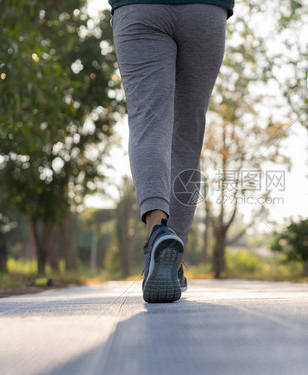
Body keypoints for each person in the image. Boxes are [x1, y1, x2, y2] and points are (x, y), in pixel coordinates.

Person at [109, 0, 234, 303]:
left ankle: (158, 233)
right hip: (205, 11)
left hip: (138, 8)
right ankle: (173, 262)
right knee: (187, 137)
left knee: (148, 122)